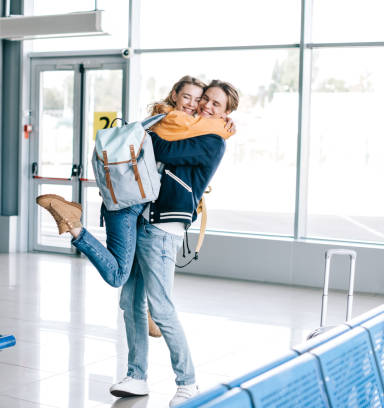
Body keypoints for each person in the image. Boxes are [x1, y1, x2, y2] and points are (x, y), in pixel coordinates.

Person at [37, 78, 240, 405]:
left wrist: (145, 133)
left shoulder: (212, 138)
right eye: (205, 100)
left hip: (164, 229)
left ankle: (188, 382)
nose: (206, 106)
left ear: (226, 112)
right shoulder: (186, 125)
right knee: (130, 303)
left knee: (161, 307)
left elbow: (164, 149)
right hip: (145, 217)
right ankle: (136, 376)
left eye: (216, 104)